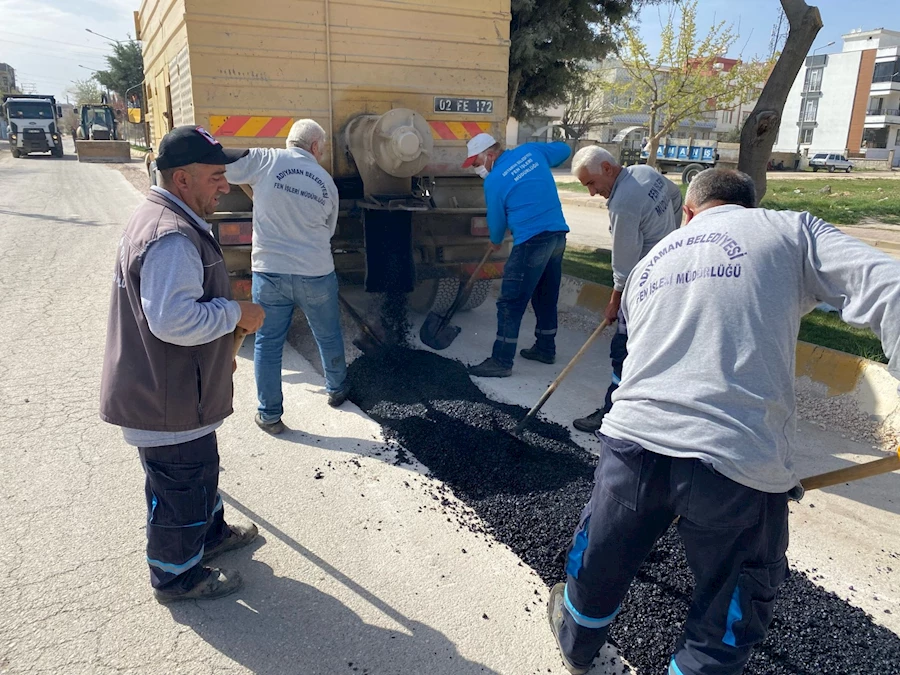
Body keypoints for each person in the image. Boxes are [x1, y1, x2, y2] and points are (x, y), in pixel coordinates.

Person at [547, 169, 900, 675]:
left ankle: (577, 645)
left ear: (688, 212)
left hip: (631, 444)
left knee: (601, 557)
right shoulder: (790, 230)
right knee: (728, 605)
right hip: (736, 460)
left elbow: (634, 356)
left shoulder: (651, 262)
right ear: (750, 207)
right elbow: (890, 287)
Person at [100, 125, 266, 603]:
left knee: (197, 474)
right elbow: (173, 320)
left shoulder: (168, 218)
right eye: (216, 176)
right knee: (181, 490)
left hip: (176, 393)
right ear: (181, 179)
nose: (225, 186)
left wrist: (216, 356)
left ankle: (209, 536)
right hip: (166, 401)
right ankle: (177, 577)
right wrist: (236, 313)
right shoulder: (171, 236)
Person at [223, 119, 347, 435]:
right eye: (322, 149)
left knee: (267, 343)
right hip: (316, 273)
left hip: (270, 273)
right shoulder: (326, 181)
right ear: (315, 147)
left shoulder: (266, 160)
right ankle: (337, 389)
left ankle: (269, 416)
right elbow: (329, 230)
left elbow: (226, 168)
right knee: (328, 334)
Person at [568, 147, 682, 433]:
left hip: (643, 288)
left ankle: (612, 415)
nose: (592, 192)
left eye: (591, 183)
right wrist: (673, 241)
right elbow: (676, 196)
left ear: (607, 168)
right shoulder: (644, 172)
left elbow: (623, 266)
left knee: (623, 350)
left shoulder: (622, 203)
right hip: (668, 277)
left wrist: (614, 302)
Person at [463, 133, 571, 378]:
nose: (476, 168)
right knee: (545, 294)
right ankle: (545, 348)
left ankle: (501, 361)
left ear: (490, 155)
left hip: (532, 242)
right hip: (557, 236)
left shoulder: (494, 181)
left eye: (477, 163)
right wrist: (540, 161)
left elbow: (496, 220)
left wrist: (495, 240)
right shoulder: (531, 151)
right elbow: (564, 150)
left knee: (510, 302)